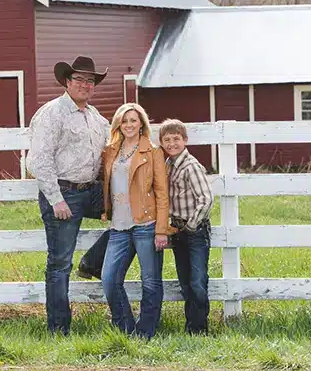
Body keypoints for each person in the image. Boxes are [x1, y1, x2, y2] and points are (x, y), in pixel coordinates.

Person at [26, 55, 112, 335]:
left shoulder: (96, 118)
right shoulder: (52, 113)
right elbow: (38, 160)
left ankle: (93, 261)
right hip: (63, 191)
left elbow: (111, 149)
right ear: (67, 81)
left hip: (92, 189)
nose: (85, 85)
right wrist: (56, 199)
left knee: (134, 214)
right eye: (79, 79)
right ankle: (59, 328)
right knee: (60, 262)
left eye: (90, 80)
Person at [99, 103, 171, 339]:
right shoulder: (110, 151)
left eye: (133, 120)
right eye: (125, 120)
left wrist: (161, 230)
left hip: (146, 225)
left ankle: (146, 332)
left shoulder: (153, 151)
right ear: (118, 124)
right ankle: (126, 329)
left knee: (150, 281)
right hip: (118, 226)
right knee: (109, 279)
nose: (129, 125)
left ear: (141, 123)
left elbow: (162, 193)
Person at [159, 118, 214, 335]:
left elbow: (206, 199)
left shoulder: (191, 166)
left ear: (185, 140)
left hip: (195, 231)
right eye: (167, 140)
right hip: (178, 231)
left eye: (176, 139)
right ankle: (191, 326)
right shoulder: (168, 166)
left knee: (198, 281)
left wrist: (191, 225)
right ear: (162, 143)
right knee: (185, 282)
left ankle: (199, 329)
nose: (172, 143)